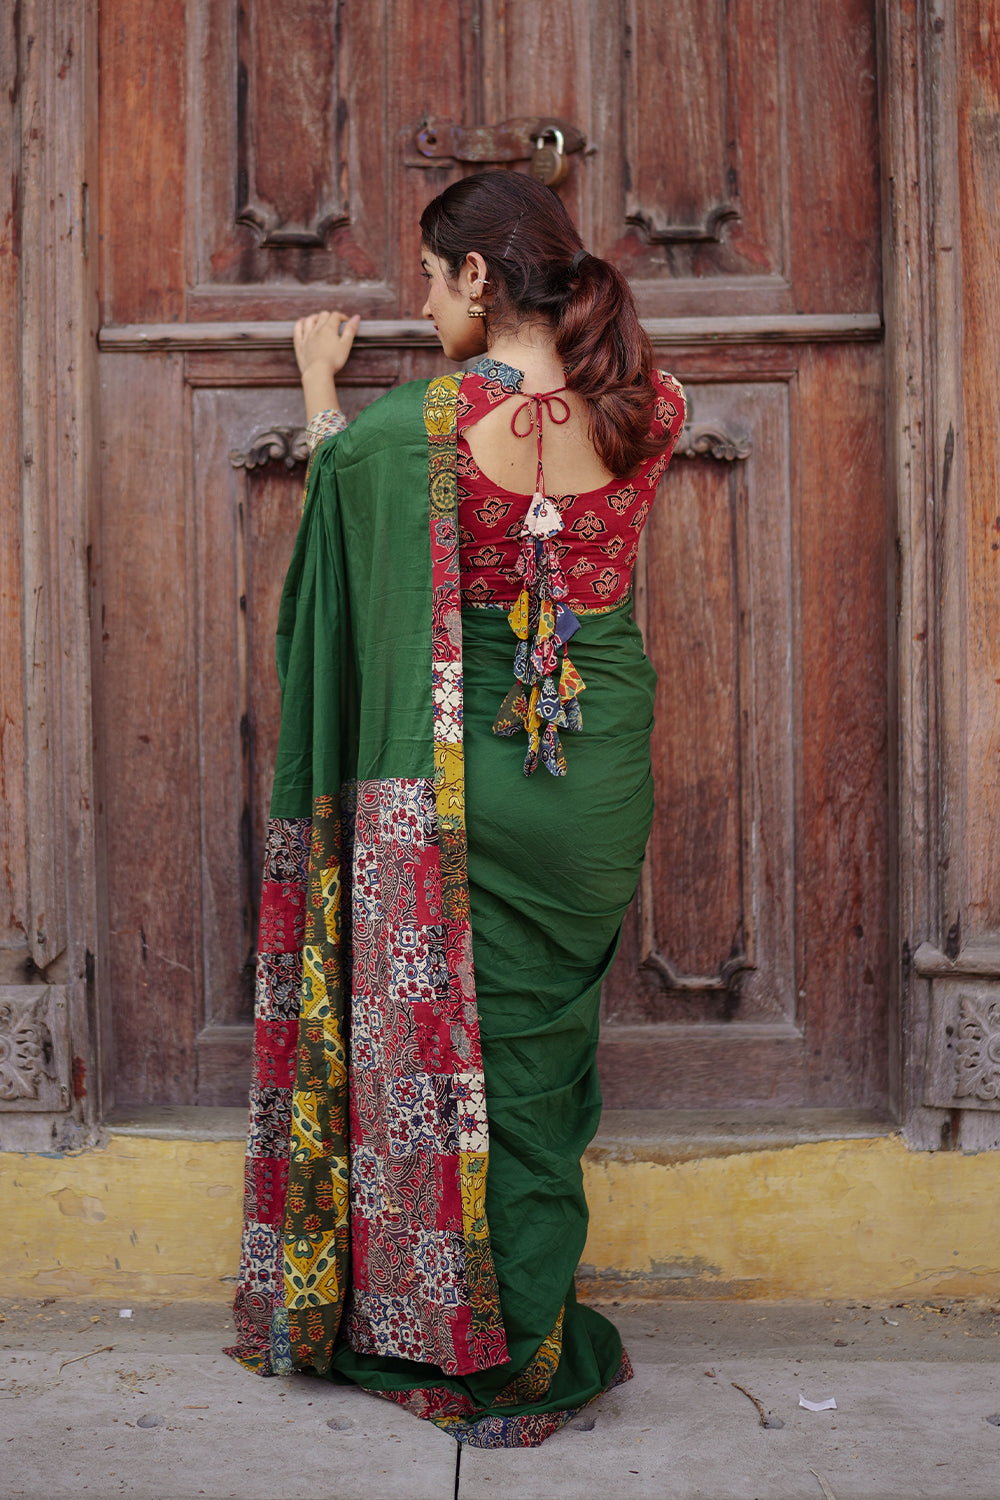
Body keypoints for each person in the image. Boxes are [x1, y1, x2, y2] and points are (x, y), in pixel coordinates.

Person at [225, 170, 686, 1448]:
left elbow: (341, 518)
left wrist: (321, 391)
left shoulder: (416, 426)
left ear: (479, 277)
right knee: (541, 1064)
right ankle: (529, 1322)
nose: (424, 306)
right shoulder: (652, 401)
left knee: (455, 1065)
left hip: (464, 781)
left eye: (430, 280)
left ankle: (474, 1344)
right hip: (593, 778)